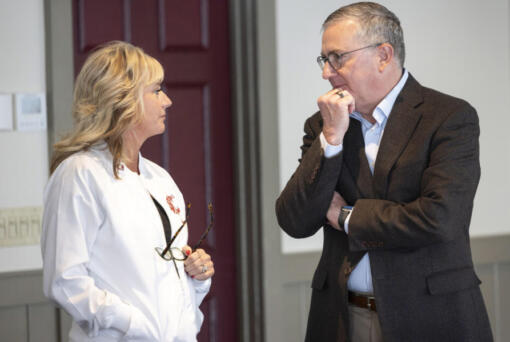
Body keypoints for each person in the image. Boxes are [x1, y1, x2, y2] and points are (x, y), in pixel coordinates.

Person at [275, 2, 493, 341]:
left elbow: (438, 218)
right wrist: (330, 139)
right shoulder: (323, 125)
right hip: (342, 317)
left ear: (383, 55)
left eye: (337, 57)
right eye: (324, 60)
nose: (326, 72)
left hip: (430, 315)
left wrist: (345, 216)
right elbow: (295, 221)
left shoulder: (449, 117)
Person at [41, 41, 214, 341]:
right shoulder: (80, 174)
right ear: (123, 99)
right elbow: (65, 280)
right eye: (157, 90)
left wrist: (195, 276)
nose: (168, 101)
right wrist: (130, 322)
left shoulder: (159, 179)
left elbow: (160, 276)